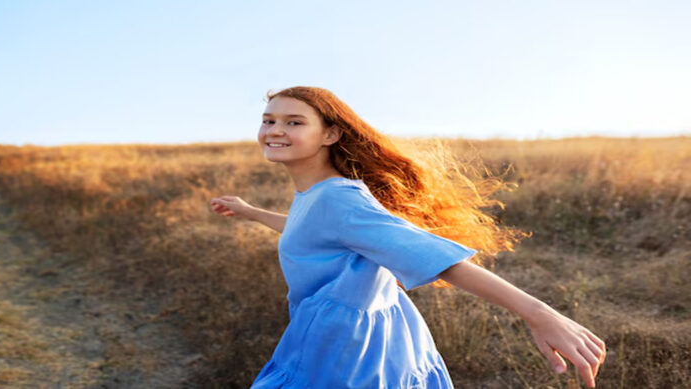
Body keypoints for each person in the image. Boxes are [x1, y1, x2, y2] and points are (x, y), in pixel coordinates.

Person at [209, 86, 606, 388]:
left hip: (346, 350)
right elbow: (311, 232)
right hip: (374, 336)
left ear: (330, 134)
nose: (274, 130)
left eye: (294, 122)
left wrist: (539, 314)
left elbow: (438, 259)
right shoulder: (321, 194)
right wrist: (250, 212)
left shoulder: (337, 199)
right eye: (269, 120)